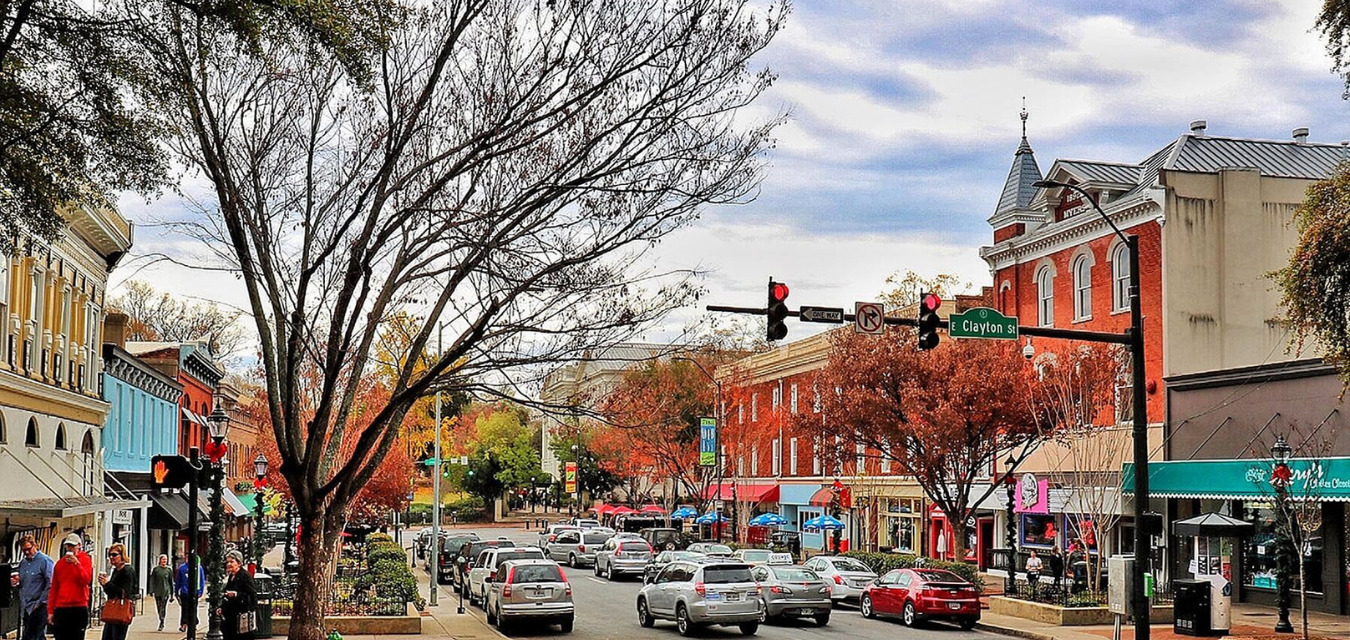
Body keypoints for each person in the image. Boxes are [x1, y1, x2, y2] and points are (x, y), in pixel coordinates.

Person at [48, 533, 93, 640]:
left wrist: (77, 564)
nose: (70, 548)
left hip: (79, 607)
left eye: (72, 546)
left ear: (79, 546)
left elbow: (86, 580)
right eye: (68, 546)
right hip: (61, 608)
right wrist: (50, 611)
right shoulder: (59, 564)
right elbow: (54, 588)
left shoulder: (85, 560)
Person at [11, 533, 54, 640]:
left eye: (29, 549)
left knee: (35, 636)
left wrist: (40, 602)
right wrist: (16, 583)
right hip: (26, 605)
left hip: (39, 605)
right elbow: (23, 583)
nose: (26, 552)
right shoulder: (23, 563)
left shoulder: (45, 561)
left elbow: (51, 583)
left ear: (35, 545)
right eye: (23, 550)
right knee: (31, 635)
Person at [98, 543, 136, 640]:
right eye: (110, 555)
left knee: (117, 636)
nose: (111, 557)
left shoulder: (128, 571)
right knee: (107, 636)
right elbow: (111, 592)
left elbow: (124, 593)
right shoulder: (116, 570)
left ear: (122, 555)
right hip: (112, 610)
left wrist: (108, 584)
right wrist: (104, 584)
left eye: (114, 555)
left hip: (121, 610)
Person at [219, 551, 257, 640]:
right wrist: (221, 607)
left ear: (239, 563)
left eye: (232, 562)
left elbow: (252, 595)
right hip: (231, 618)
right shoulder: (231, 576)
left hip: (241, 619)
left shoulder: (245, 576)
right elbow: (227, 594)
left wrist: (236, 595)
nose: (229, 564)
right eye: (227, 562)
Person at [176, 555, 205, 633]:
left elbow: (202, 580)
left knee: (193, 608)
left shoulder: (199, 568)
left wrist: (200, 591)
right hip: (184, 592)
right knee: (184, 609)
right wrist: (176, 591)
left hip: (194, 592)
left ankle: (193, 624)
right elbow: (178, 580)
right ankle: (184, 624)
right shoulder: (182, 568)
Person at [147, 555, 175, 631]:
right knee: (159, 607)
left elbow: (171, 582)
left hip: (165, 591)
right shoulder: (156, 570)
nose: (164, 561)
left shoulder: (168, 570)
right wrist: (151, 590)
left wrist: (172, 594)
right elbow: (152, 580)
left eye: (165, 560)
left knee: (163, 607)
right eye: (163, 559)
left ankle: (162, 621)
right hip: (157, 591)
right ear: (160, 560)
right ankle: (160, 617)